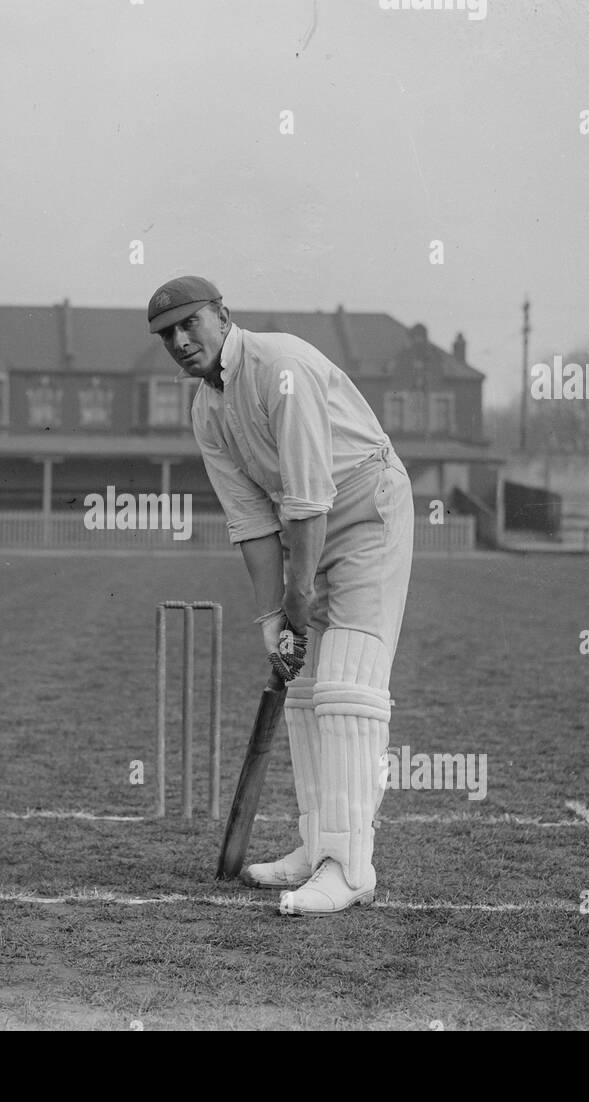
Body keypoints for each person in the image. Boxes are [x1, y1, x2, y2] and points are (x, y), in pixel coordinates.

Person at [147, 276, 414, 916]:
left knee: (348, 691)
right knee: (303, 690)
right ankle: (318, 845)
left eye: (191, 324)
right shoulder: (206, 410)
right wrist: (274, 617)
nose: (181, 341)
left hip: (363, 511)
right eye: (167, 335)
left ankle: (349, 870)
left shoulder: (281, 367)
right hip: (307, 526)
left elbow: (307, 496)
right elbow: (251, 522)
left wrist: (298, 596)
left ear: (223, 317)